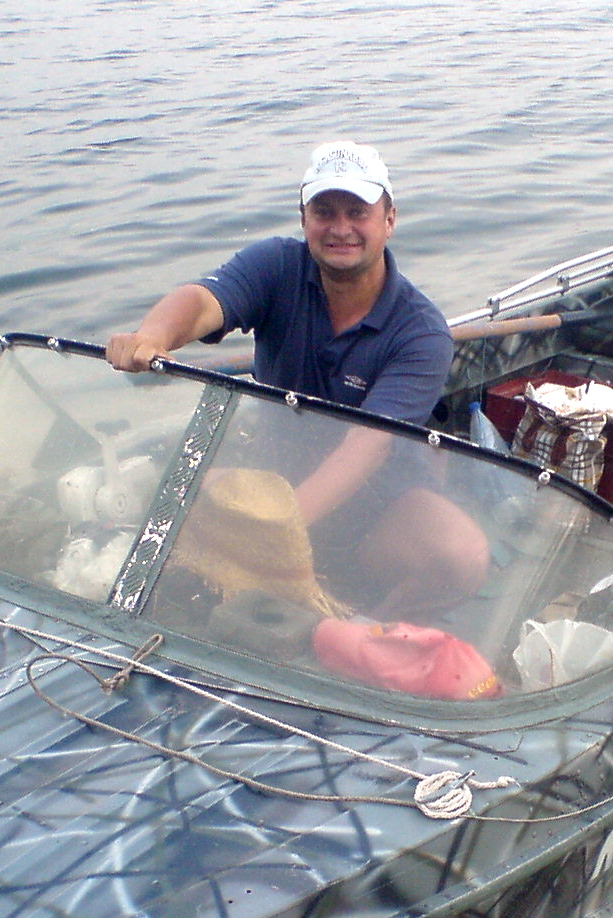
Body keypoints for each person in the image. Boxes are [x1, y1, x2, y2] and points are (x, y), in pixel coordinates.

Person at [107, 140, 488, 619]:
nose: (341, 228)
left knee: (460, 556)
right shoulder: (277, 266)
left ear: (389, 220)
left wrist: (275, 531)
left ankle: (368, 631)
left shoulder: (421, 333)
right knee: (157, 494)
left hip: (381, 505)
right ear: (304, 219)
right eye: (324, 212)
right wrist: (153, 335)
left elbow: (365, 447)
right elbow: (203, 302)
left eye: (358, 212)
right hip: (276, 474)